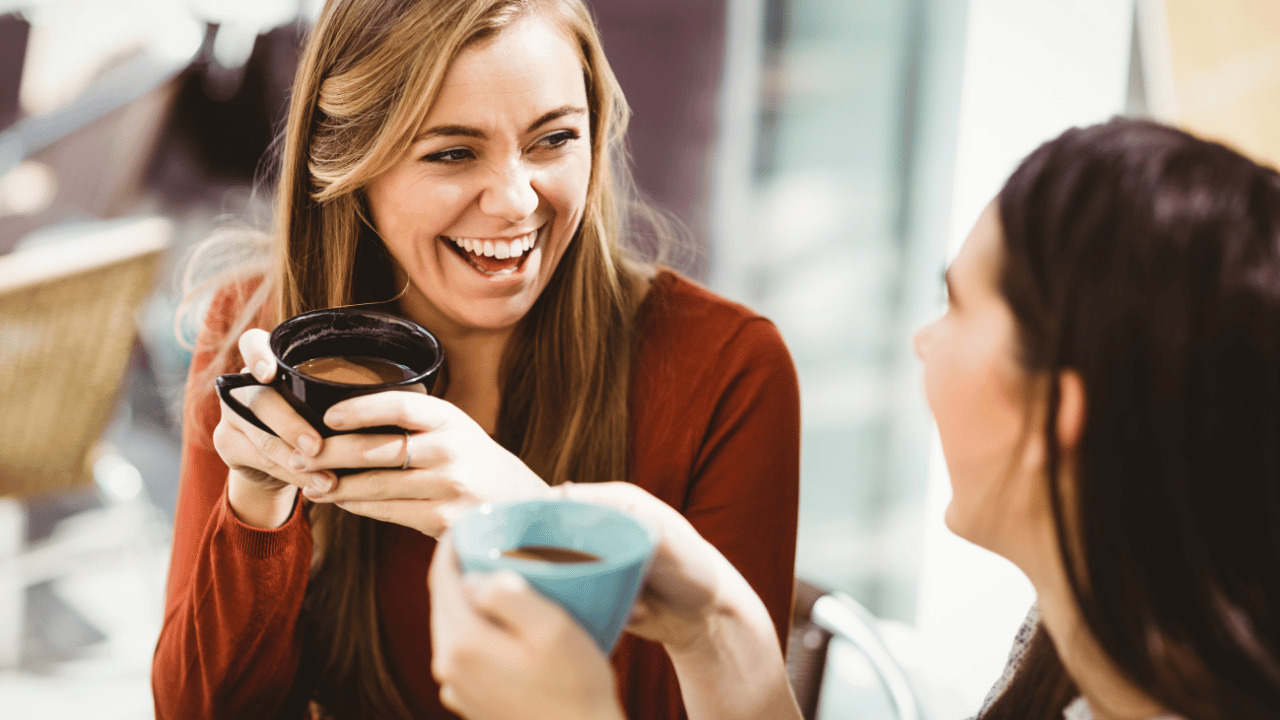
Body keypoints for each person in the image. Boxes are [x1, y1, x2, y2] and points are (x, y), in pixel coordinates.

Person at [428, 117, 1280, 720]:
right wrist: (715, 628)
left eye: (956, 307)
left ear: (1059, 409)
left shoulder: (731, 362)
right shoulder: (1091, 668)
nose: (923, 343)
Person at [151, 1, 801, 718]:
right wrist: (256, 508)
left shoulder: (729, 371)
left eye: (554, 139)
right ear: (352, 161)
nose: (516, 201)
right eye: (454, 153)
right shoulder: (257, 332)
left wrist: (533, 530)